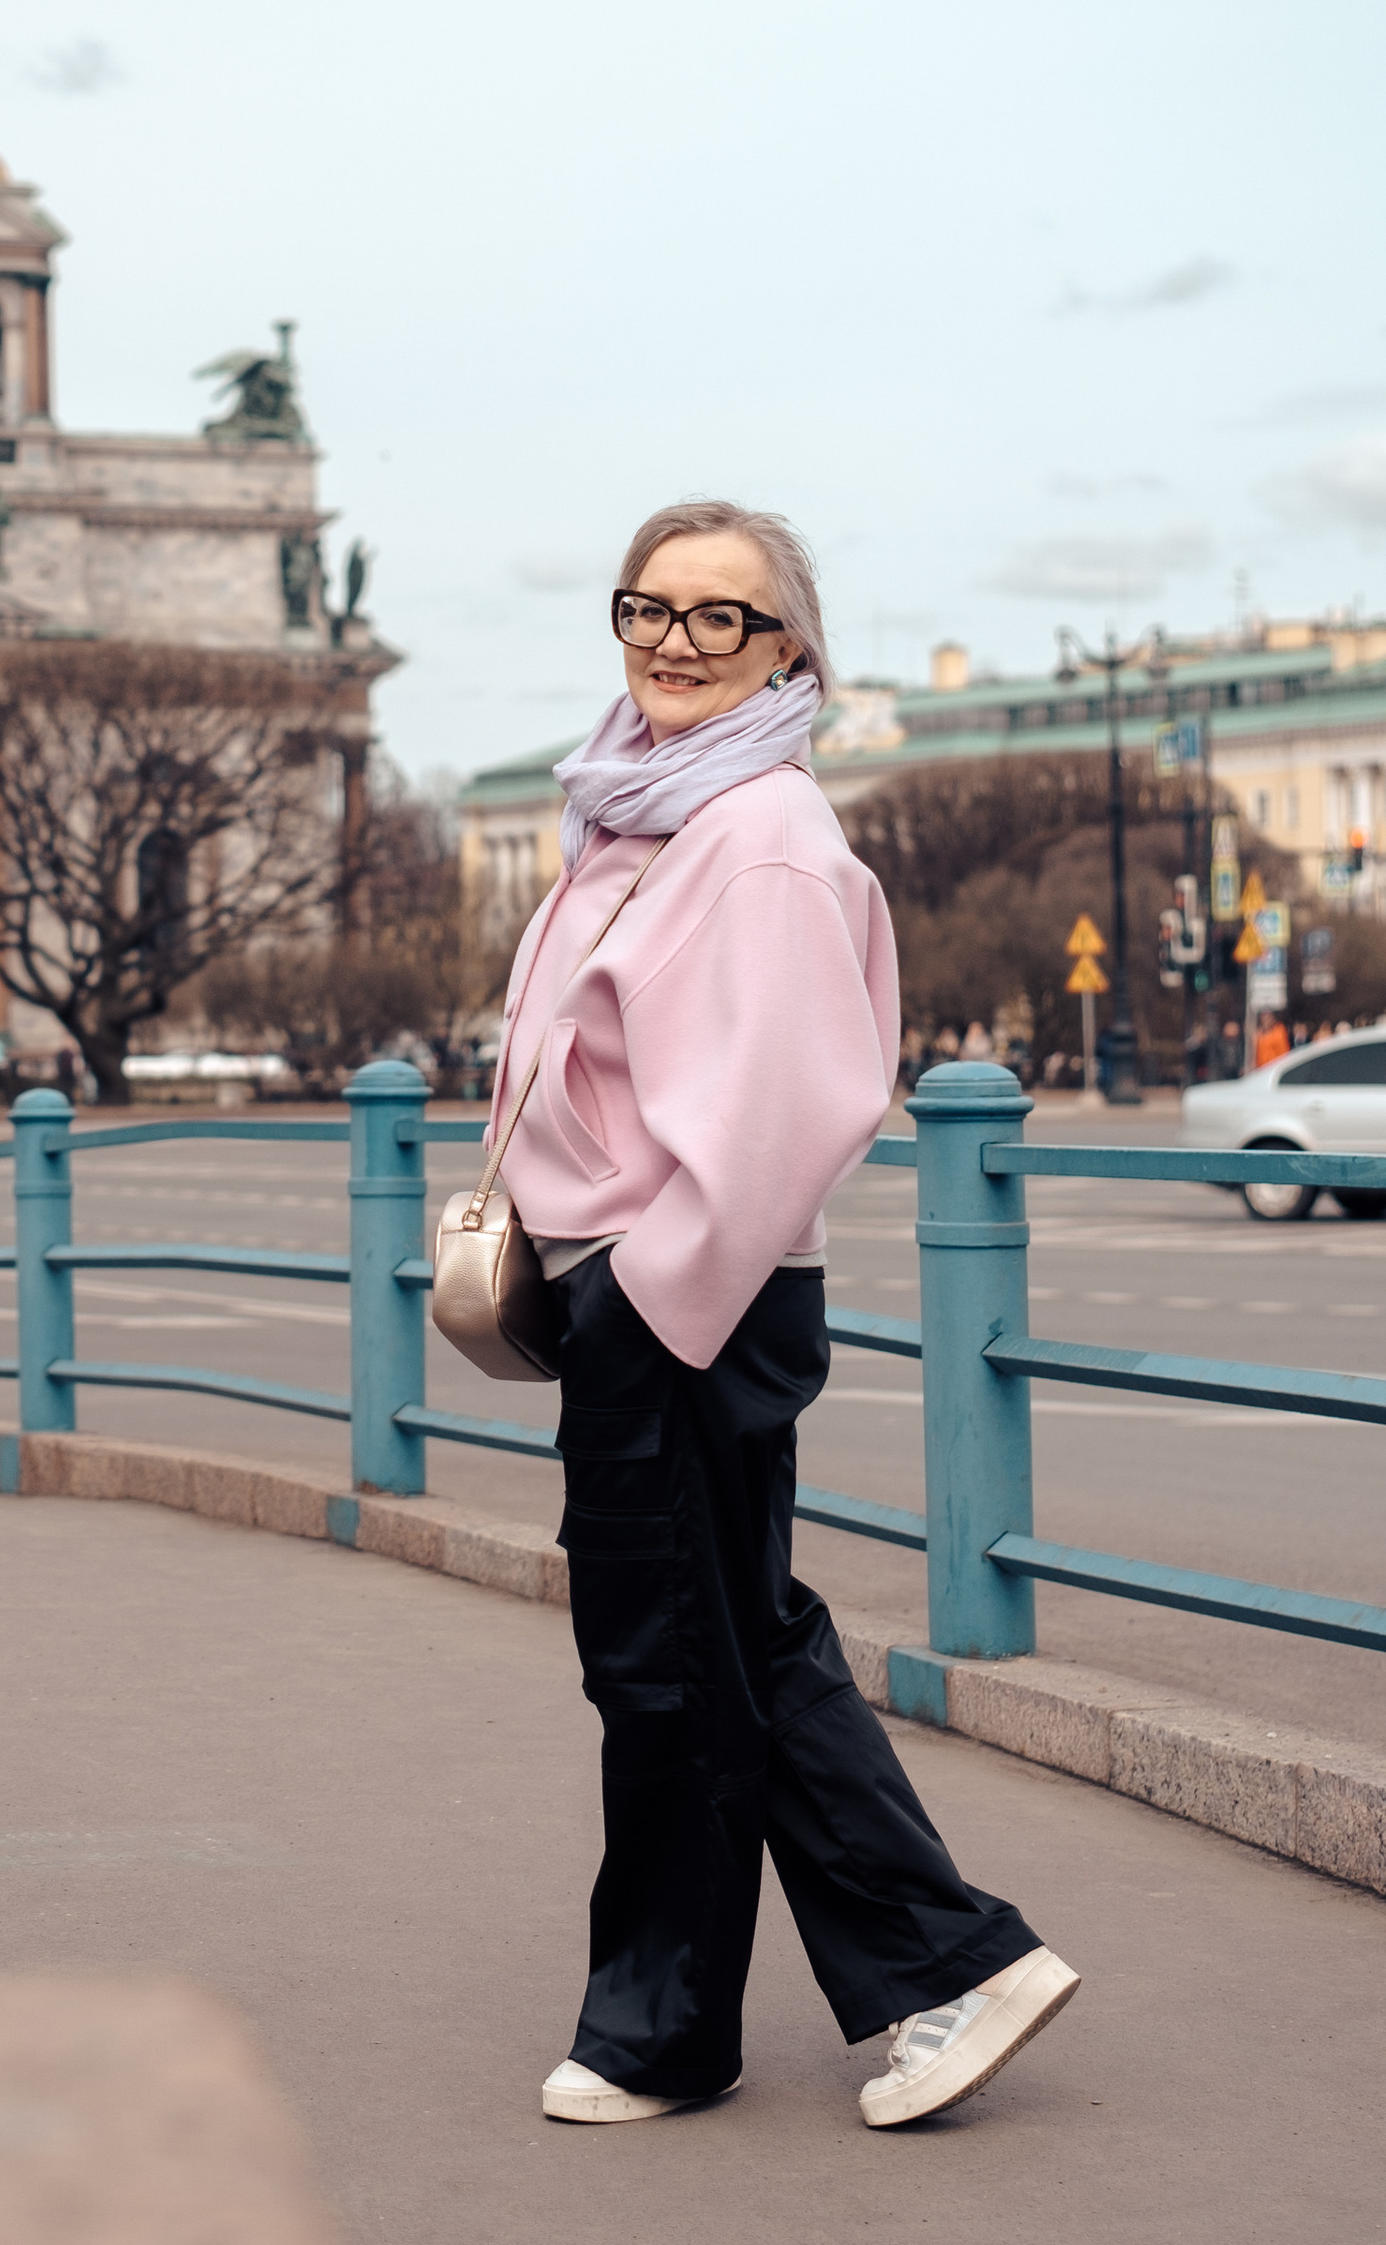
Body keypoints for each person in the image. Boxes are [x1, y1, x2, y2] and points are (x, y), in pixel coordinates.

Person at [494, 501, 1077, 2133]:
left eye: (721, 618)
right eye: (648, 607)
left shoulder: (759, 836)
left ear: (789, 654)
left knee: (668, 1666)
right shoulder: (643, 816)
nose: (676, 640)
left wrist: (642, 1300)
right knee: (737, 1642)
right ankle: (947, 1967)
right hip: (661, 1286)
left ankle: (665, 2031)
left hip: (686, 1297)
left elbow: (800, 1101)